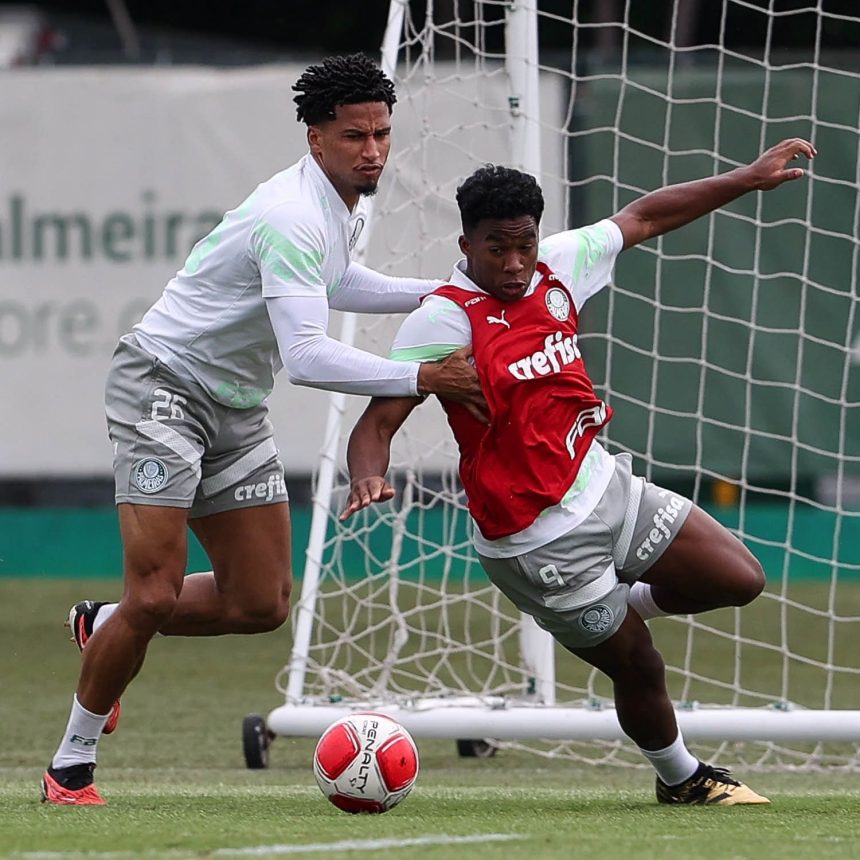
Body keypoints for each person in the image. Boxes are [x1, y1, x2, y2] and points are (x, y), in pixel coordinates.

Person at [41, 53, 486, 806]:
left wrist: (443, 294)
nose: (373, 150)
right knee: (156, 593)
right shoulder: (288, 215)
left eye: (381, 134)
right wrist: (422, 376)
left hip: (235, 404)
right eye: (354, 137)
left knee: (262, 603)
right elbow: (307, 357)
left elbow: (337, 284)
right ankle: (70, 765)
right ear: (316, 138)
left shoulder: (344, 202)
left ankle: (102, 623)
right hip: (164, 387)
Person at [341, 138, 816, 805]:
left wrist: (747, 176)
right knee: (638, 662)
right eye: (495, 249)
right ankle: (682, 779)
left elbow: (645, 217)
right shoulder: (441, 319)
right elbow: (377, 422)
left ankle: (621, 600)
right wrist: (369, 473)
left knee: (740, 578)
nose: (512, 265)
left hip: (601, 484)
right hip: (534, 539)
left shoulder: (560, 264)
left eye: (524, 246)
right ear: (466, 243)